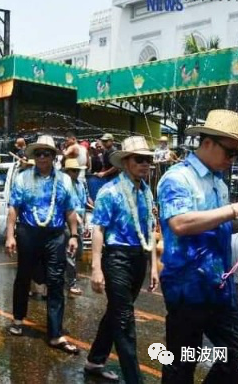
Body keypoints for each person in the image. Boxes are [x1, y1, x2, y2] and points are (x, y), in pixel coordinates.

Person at [158, 110, 238, 383]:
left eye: (237, 155)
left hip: (219, 286)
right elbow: (181, 224)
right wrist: (235, 209)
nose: (231, 160)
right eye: (229, 152)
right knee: (182, 362)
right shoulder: (178, 178)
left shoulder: (218, 183)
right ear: (207, 142)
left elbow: (219, 224)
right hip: (187, 287)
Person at [85, 136, 159, 383]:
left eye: (148, 160)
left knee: (116, 312)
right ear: (126, 162)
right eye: (140, 160)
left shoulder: (146, 192)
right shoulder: (110, 191)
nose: (145, 164)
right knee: (125, 318)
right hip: (116, 258)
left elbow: (149, 231)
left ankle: (94, 360)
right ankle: (134, 378)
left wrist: (153, 267)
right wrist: (96, 268)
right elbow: (98, 229)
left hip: (138, 258)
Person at [5, 135, 79, 354]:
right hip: (28, 233)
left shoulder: (64, 180)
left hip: (55, 235)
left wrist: (74, 235)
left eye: (47, 153)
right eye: (38, 153)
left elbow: (71, 210)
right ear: (34, 156)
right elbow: (13, 209)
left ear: (54, 157)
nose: (42, 157)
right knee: (23, 276)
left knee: (56, 280)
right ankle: (18, 319)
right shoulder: (23, 177)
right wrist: (10, 235)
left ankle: (55, 333)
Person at [63, 158, 90, 296]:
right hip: (68, 222)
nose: (76, 172)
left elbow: (83, 202)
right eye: (74, 170)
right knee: (71, 253)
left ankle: (67, 278)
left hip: (80, 220)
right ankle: (71, 283)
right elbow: (69, 206)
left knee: (78, 252)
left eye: (78, 170)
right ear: (67, 172)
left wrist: (84, 220)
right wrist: (77, 218)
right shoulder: (64, 185)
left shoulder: (80, 184)